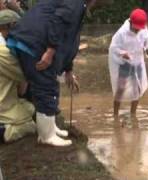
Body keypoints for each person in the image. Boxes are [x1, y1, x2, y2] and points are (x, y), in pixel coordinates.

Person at [7, 0, 96, 146]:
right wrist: (50, 51)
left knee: (47, 85)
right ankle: (46, 136)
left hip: (31, 40)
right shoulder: (75, 3)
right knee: (46, 86)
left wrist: (68, 70)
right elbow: (58, 22)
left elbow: (69, 40)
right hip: (34, 43)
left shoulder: (78, 6)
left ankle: (50, 128)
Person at [0, 9, 36, 143]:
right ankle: (4, 131)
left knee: (28, 107)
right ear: (10, 26)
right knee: (30, 124)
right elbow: (28, 75)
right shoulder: (4, 52)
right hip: (3, 108)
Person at [108, 8, 148, 118]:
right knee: (121, 88)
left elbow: (147, 40)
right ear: (131, 22)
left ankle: (133, 114)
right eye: (136, 29)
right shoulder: (121, 33)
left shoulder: (143, 28)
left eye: (139, 29)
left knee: (138, 88)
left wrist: (146, 46)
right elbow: (113, 48)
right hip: (125, 64)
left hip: (138, 63)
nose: (137, 31)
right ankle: (115, 115)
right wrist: (123, 53)